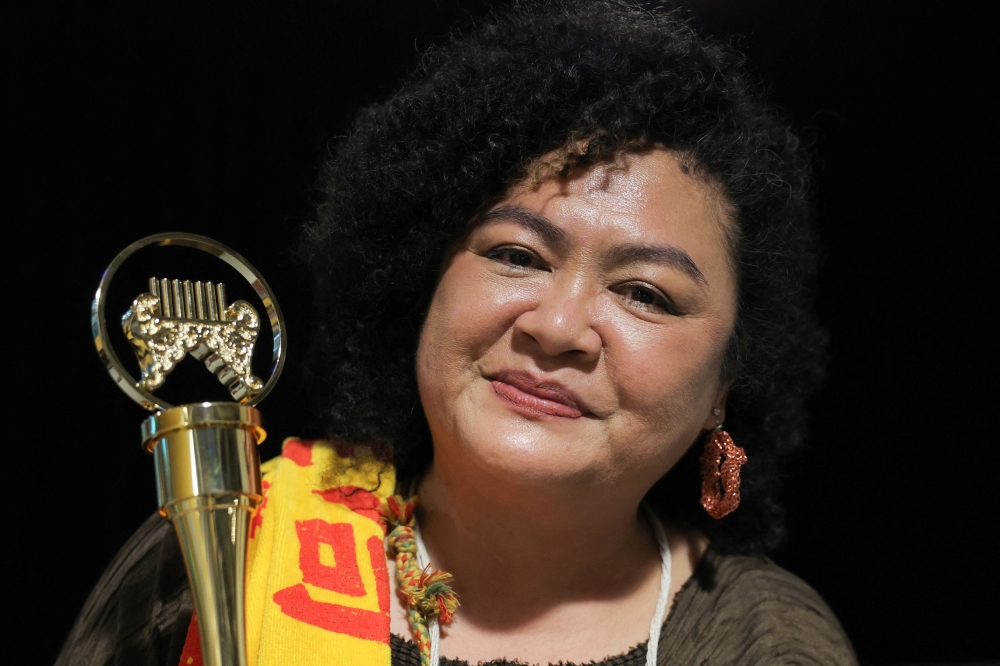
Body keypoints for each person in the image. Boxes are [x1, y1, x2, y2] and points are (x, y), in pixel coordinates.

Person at [58, 1, 856, 665]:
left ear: (726, 378)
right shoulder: (228, 546)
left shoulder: (766, 642)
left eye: (645, 293)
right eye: (516, 255)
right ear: (424, 275)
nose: (555, 327)